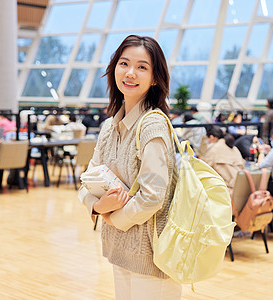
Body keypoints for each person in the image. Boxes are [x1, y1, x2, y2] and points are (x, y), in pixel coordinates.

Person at [78, 35, 180, 299]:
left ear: (155, 77)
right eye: (124, 63)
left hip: (151, 255)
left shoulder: (152, 126)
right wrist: (98, 207)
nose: (130, 73)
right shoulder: (110, 127)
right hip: (119, 249)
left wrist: (113, 218)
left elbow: (152, 196)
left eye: (142, 67)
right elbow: (87, 180)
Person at [201, 126, 244, 194]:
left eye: (207, 139)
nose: (207, 141)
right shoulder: (233, 147)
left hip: (225, 189)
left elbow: (203, 168)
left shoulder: (213, 149)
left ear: (212, 137)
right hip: (240, 185)